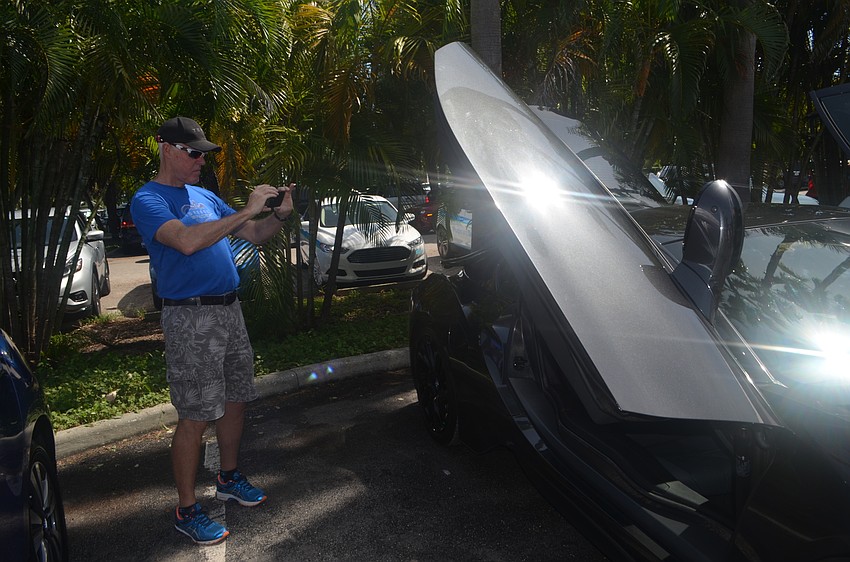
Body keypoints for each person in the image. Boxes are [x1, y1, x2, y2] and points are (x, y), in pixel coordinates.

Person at [130, 116, 294, 546]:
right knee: (197, 413)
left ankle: (228, 477)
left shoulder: (204, 194)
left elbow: (255, 234)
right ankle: (186, 509)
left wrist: (278, 215)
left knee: (237, 398)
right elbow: (184, 241)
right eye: (194, 153)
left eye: (204, 153)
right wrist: (246, 208)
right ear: (166, 147)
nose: (202, 161)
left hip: (229, 310)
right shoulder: (148, 200)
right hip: (191, 317)